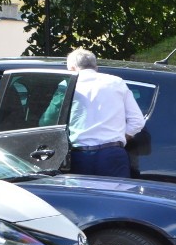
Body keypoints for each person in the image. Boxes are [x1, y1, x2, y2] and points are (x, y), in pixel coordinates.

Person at [61, 48, 146, 178]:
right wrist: (119, 137)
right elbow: (137, 121)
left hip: (79, 157)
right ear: (96, 67)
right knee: (116, 197)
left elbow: (47, 119)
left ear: (72, 68)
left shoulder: (67, 84)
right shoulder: (116, 82)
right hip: (113, 154)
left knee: (83, 198)